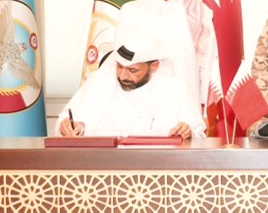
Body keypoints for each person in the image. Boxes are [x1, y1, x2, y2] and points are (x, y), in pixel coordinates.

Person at [55, 27, 206, 139]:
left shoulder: (176, 90)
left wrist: (188, 132)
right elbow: (65, 122)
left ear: (154, 66)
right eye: (119, 67)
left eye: (132, 71)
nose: (122, 75)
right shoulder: (99, 84)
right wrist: (70, 127)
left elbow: (198, 136)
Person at [117, 0, 219, 108]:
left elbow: (209, 67)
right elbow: (121, 65)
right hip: (141, 110)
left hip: (187, 112)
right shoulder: (131, 12)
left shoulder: (199, 13)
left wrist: (205, 111)